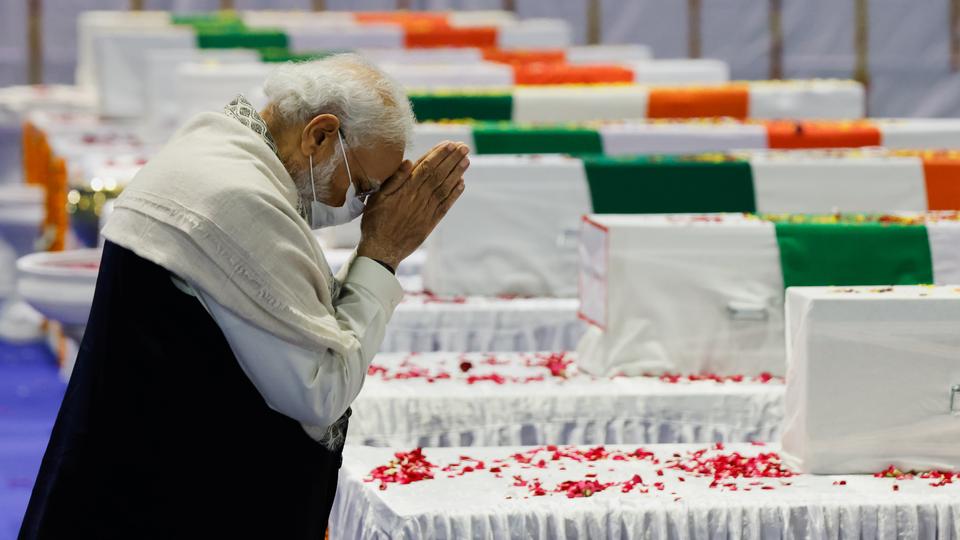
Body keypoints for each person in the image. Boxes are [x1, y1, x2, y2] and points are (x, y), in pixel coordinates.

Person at [19, 54, 469, 539]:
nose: (362, 209)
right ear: (319, 135)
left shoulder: (211, 147)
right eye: (362, 188)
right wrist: (381, 255)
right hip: (156, 506)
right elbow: (320, 389)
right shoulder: (238, 198)